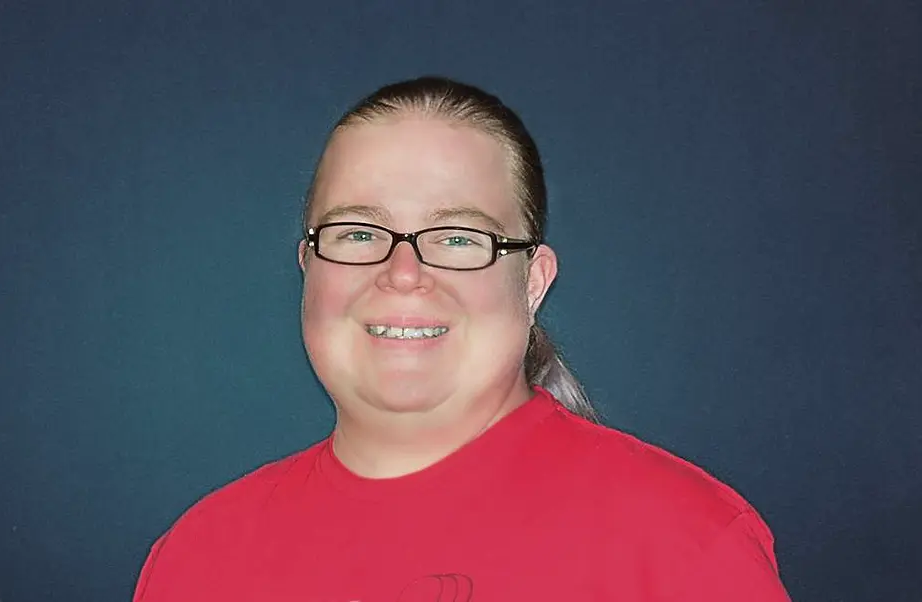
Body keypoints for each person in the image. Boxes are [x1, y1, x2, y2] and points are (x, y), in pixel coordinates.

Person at [132, 76, 792, 601]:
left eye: (458, 238)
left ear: (532, 283)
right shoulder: (199, 553)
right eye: (358, 232)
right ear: (309, 267)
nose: (403, 274)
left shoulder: (681, 541)